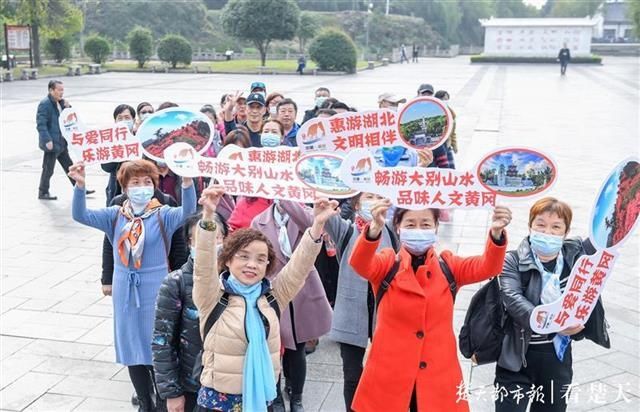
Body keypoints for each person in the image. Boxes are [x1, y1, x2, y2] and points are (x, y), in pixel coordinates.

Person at [347, 201, 512, 411]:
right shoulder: (388, 264)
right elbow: (359, 263)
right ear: (398, 228)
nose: (418, 230)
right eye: (410, 224)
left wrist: (496, 234)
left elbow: (488, 266)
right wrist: (373, 231)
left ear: (436, 227)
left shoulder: (449, 267)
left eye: (425, 224)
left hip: (437, 376)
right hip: (389, 375)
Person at [192, 185, 338, 411]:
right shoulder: (212, 296)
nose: (252, 264)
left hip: (263, 398)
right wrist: (209, 215)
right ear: (228, 260)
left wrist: (317, 224)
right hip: (219, 403)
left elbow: (299, 266)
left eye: (261, 259)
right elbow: (203, 264)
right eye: (243, 256)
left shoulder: (271, 297)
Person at [69, 159, 196, 411]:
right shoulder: (115, 215)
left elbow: (188, 212)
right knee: (131, 346)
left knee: (157, 344)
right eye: (135, 182)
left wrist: (188, 181)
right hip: (124, 289)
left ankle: (162, 397)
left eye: (147, 182)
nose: (141, 187)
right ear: (124, 187)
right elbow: (80, 215)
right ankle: (143, 399)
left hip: (156, 288)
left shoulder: (162, 214)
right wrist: (80, 187)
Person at [495, 197, 610, 412]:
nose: (547, 232)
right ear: (530, 226)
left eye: (556, 227)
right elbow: (513, 300)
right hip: (516, 356)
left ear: (565, 232)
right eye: (541, 224)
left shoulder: (576, 256)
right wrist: (554, 323)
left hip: (556, 358)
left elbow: (607, 230)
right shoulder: (511, 260)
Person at [282, 192, 394, 411]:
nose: (373, 200)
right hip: (352, 312)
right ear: (356, 202)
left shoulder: (393, 230)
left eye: (378, 195)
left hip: (386, 311)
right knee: (352, 374)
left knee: (386, 372)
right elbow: (324, 217)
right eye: (368, 196)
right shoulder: (347, 229)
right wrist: (321, 207)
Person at [251, 200, 333, 412]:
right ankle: (276, 396)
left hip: (303, 288)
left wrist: (287, 200)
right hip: (273, 291)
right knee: (274, 348)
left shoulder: (304, 213)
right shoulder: (259, 221)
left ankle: (296, 396)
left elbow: (312, 224)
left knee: (298, 349)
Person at [153, 211, 228, 412]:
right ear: (189, 243)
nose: (209, 245)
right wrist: (172, 392)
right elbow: (162, 341)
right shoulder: (176, 283)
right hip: (191, 386)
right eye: (201, 239)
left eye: (216, 238)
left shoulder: (236, 282)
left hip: (230, 387)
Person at [36, 80, 94, 200]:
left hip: (61, 143)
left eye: (63, 90)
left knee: (70, 166)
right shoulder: (45, 104)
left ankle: (79, 187)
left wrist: (68, 106)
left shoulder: (61, 103)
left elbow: (69, 118)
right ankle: (43, 192)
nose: (62, 92)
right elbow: (41, 124)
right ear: (51, 90)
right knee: (48, 169)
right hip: (52, 143)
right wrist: (47, 140)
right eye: (59, 90)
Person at [101, 104, 137, 206]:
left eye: (127, 118)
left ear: (133, 120)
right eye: (120, 118)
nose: (123, 121)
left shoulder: (140, 140)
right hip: (117, 190)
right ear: (115, 121)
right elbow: (106, 167)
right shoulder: (110, 142)